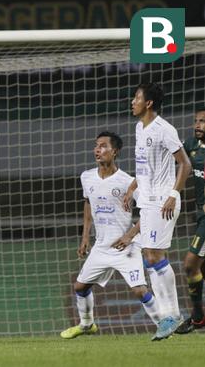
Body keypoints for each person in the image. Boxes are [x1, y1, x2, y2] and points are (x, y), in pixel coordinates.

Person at [60, 132, 162, 339]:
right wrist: (85, 237)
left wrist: (130, 236)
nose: (97, 150)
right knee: (80, 286)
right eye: (96, 146)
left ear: (115, 152)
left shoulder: (128, 182)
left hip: (126, 246)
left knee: (140, 291)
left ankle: (164, 324)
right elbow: (88, 204)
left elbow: (150, 211)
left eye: (103, 146)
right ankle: (87, 325)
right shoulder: (86, 177)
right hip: (101, 246)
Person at [122, 83, 192, 340]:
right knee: (149, 255)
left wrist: (174, 195)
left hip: (164, 200)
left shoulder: (165, 129)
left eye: (137, 98)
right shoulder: (139, 127)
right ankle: (169, 317)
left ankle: (171, 315)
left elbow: (184, 163)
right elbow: (143, 167)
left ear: (148, 103)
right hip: (148, 199)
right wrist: (132, 188)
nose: (132, 102)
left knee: (154, 254)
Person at [175, 109, 205, 333]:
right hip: (200, 215)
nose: (198, 125)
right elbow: (175, 159)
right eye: (196, 121)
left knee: (189, 264)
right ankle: (198, 318)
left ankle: (197, 316)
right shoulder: (192, 144)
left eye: (203, 121)